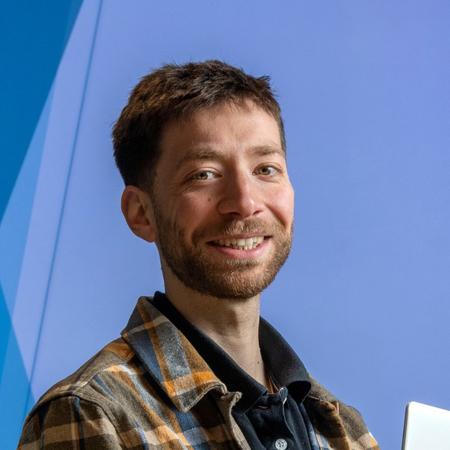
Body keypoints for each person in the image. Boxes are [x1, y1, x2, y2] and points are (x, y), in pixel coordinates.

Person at [18, 60, 379, 450]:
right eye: (204, 174)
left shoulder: (342, 428)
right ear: (141, 213)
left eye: (266, 169)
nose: (245, 202)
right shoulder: (93, 412)